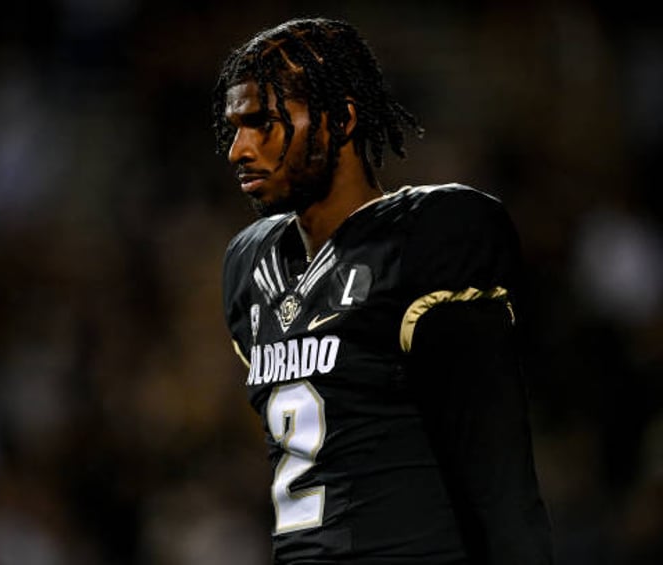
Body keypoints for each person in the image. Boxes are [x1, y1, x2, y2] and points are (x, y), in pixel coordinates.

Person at [214, 17, 554, 564]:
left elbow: (499, 474)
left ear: (341, 119)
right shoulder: (250, 265)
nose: (238, 150)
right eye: (235, 128)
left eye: (263, 124)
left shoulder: (430, 234)